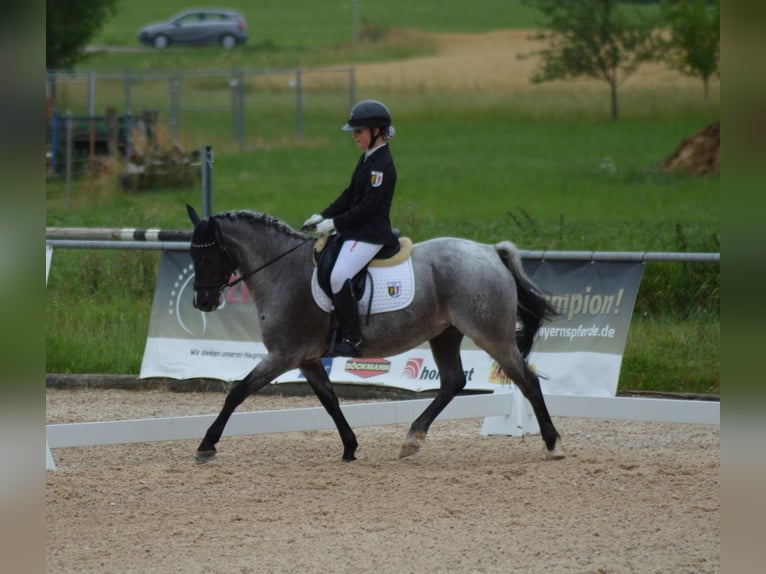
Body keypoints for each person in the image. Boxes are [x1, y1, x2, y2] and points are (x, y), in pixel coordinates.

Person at [303, 99, 399, 357]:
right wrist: (322, 215)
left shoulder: (382, 165)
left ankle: (353, 339)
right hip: (357, 230)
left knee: (338, 275)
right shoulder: (367, 158)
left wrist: (334, 223)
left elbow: (367, 208)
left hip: (371, 233)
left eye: (359, 131)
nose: (355, 136)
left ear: (376, 131)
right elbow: (349, 195)